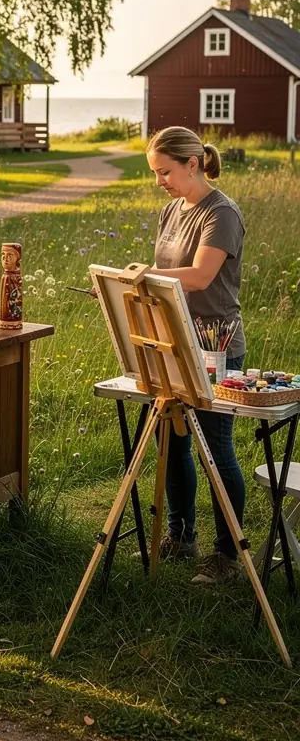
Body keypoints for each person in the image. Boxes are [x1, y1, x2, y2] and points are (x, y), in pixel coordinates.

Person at [146, 125, 247, 585]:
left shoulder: (221, 213)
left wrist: (144, 275)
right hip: (173, 339)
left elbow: (202, 275)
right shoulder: (172, 209)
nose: (160, 181)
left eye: (165, 172)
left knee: (215, 448)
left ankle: (228, 555)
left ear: (193, 164)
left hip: (215, 345)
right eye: (155, 173)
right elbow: (167, 272)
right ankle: (182, 536)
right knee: (172, 439)